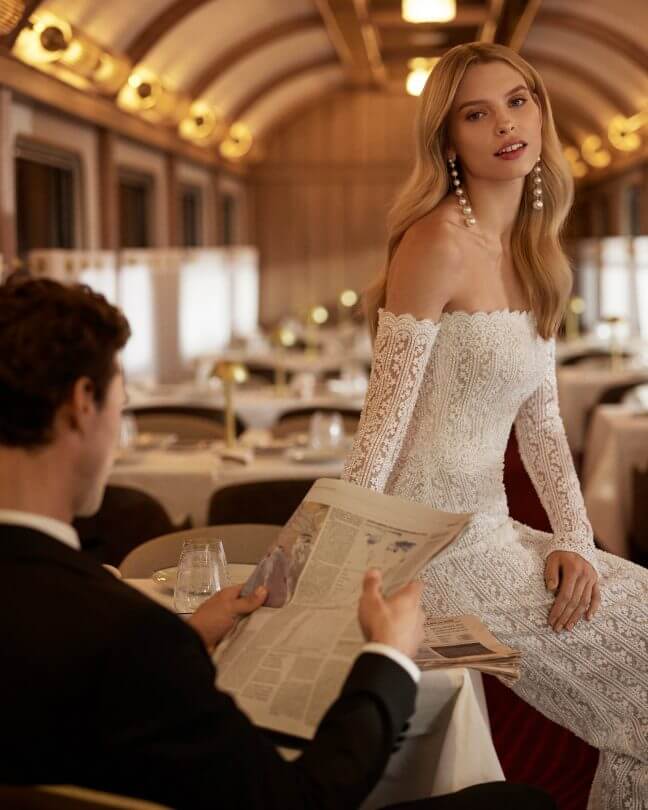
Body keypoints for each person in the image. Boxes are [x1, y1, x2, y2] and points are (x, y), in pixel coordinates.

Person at [0, 277, 553, 810]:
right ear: (82, 402)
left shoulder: (122, 631)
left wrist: (190, 637)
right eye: (121, 405)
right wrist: (387, 657)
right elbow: (301, 799)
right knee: (522, 802)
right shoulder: (132, 637)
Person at [342, 41, 648, 810]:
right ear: (449, 140)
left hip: (496, 528)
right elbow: (381, 429)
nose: (505, 124)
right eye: (476, 114)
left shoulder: (536, 252)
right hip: (430, 547)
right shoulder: (435, 243)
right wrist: (339, 569)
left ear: (541, 110)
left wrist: (576, 542)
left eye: (518, 101)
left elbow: (543, 423)